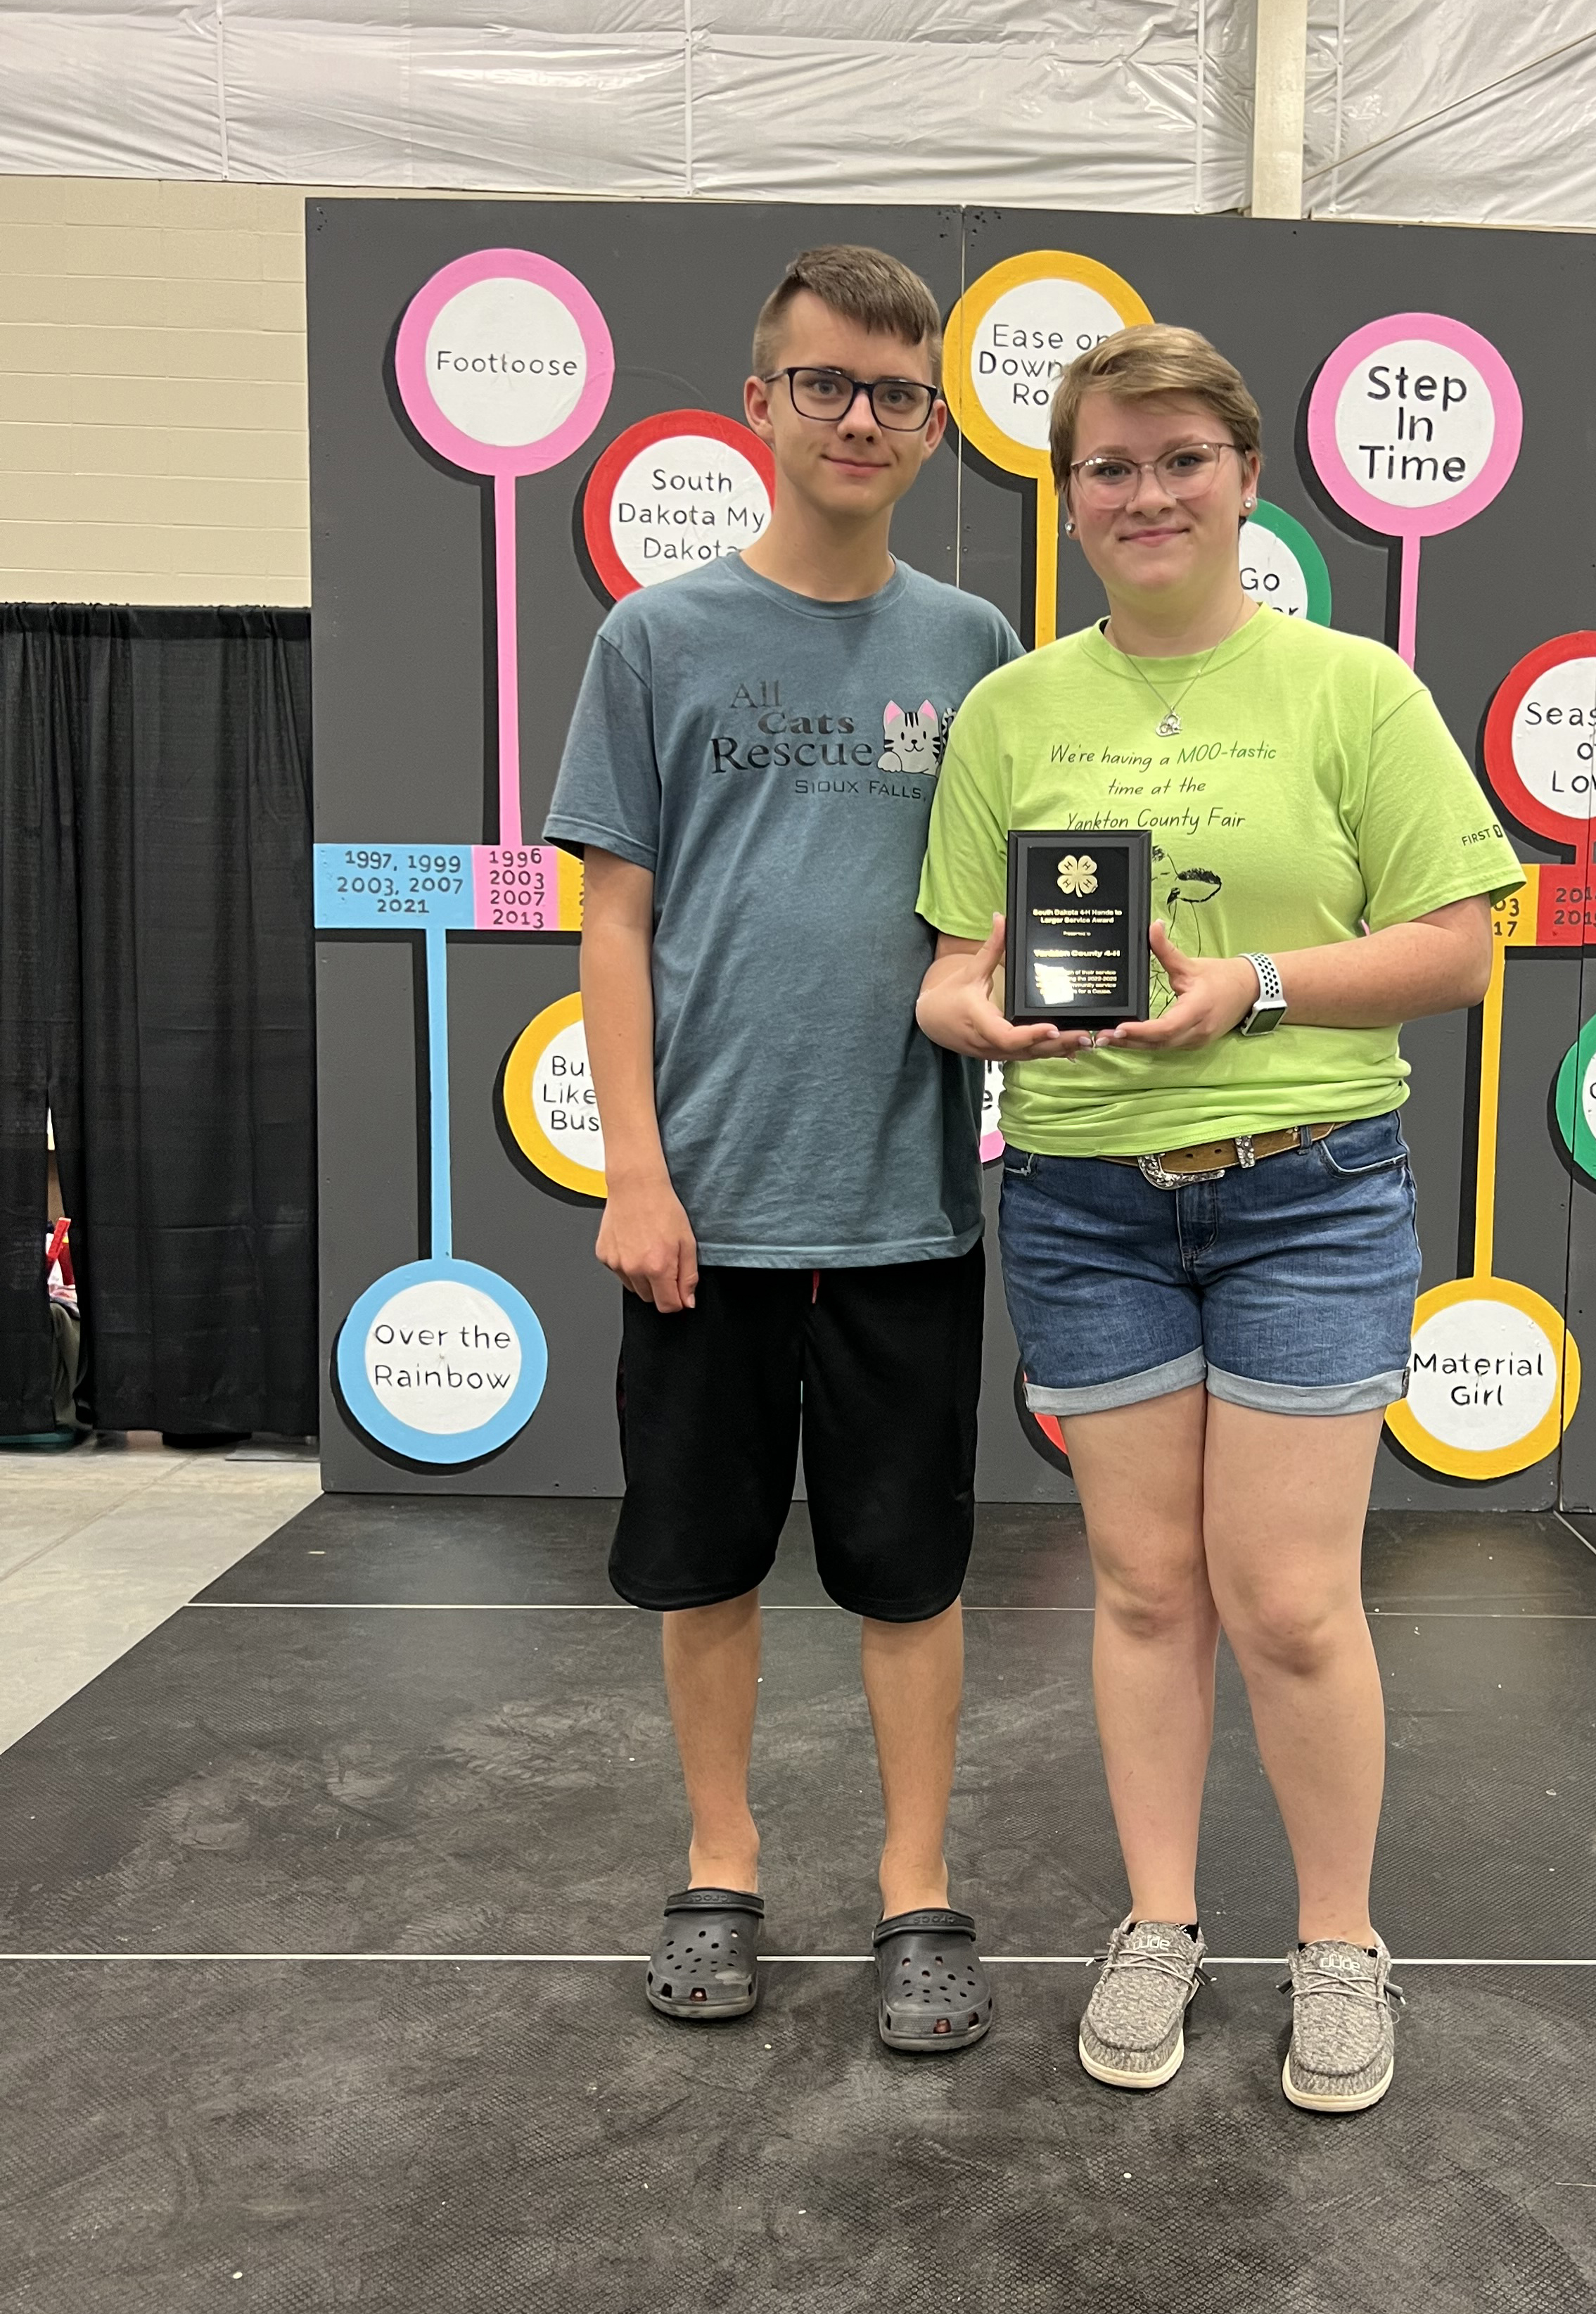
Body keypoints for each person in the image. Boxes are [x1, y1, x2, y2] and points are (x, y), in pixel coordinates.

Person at [915, 324, 1522, 2112]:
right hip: (1085, 1203)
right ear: (1067, 496)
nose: (1146, 491)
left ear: (1249, 478)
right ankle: (1161, 1919)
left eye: (1181, 456)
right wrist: (997, 1018)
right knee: (1140, 1584)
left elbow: (1458, 948)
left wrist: (1251, 987)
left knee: (1290, 1600)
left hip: (1309, 1200)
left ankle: (1340, 1941)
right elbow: (948, 973)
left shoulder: (1356, 689)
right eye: (1109, 463)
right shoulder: (1014, 710)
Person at [545, 245, 1026, 2053]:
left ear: (929, 424)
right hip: (707, 1207)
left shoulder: (973, 651)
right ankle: (722, 1867)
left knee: (911, 1569)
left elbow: (994, 927)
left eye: (897, 393)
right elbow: (612, 926)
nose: (860, 418)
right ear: (758, 403)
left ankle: (918, 1893)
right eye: (825, 383)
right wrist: (637, 1169)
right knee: (708, 1560)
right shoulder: (654, 640)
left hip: (905, 1206)